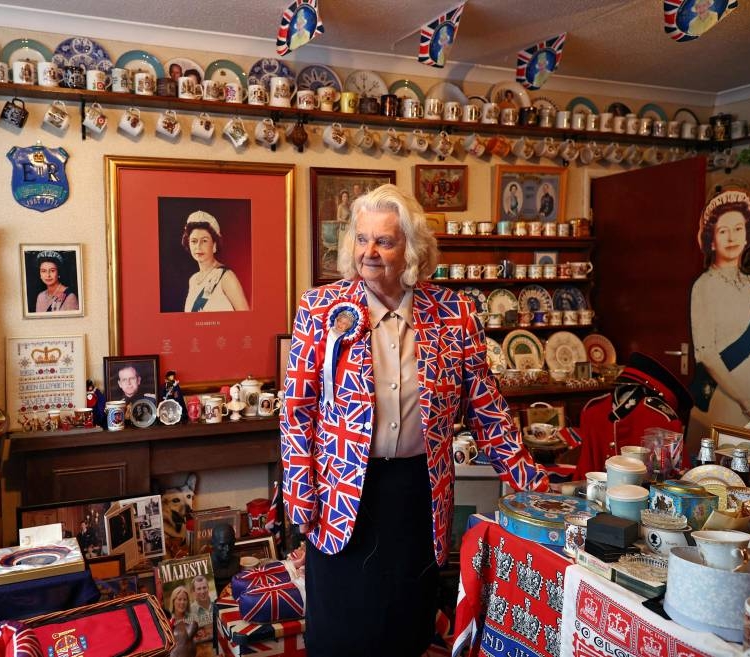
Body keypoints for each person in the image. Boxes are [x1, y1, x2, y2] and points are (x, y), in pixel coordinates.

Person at [280, 184, 547, 657]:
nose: (370, 252)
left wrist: (531, 484)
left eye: (384, 241)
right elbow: (298, 412)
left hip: (417, 492)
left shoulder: (453, 313)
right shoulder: (320, 309)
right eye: (362, 240)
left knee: (404, 626)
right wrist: (301, 499)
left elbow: (486, 408)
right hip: (341, 492)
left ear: (413, 249)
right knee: (341, 631)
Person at [689, 191, 750, 442]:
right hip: (725, 399)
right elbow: (707, 354)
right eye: (723, 231)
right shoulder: (704, 286)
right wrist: (746, 402)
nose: (732, 236)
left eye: (738, 228)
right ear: (711, 240)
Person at [182, 210, 249, 312]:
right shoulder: (193, 280)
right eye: (194, 241)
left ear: (214, 245)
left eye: (204, 241)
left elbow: (246, 317)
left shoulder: (226, 277)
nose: (198, 246)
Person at [188, 574, 214, 640]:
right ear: (194, 592)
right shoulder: (189, 611)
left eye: (204, 587)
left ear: (208, 588)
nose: (202, 592)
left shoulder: (216, 604)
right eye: (199, 589)